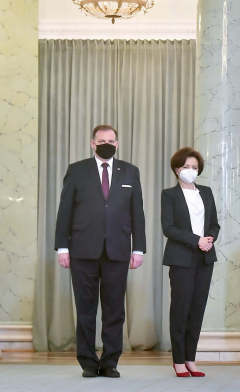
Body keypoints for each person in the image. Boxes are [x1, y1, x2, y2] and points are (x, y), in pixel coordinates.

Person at [55, 125, 146, 378]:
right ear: (93, 144)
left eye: (111, 140)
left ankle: (110, 362)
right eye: (101, 140)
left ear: (117, 144)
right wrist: (63, 247)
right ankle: (87, 362)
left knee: (115, 309)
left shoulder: (130, 171)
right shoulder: (77, 170)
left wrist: (138, 248)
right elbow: (65, 212)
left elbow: (137, 213)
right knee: (85, 309)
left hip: (117, 250)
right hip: (82, 250)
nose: (107, 144)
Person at [161, 147, 219, 378]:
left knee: (197, 309)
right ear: (177, 169)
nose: (191, 171)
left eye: (194, 167)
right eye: (186, 167)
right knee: (181, 309)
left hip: (205, 257)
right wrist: (197, 240)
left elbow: (214, 223)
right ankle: (178, 361)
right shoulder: (169, 195)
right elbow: (169, 228)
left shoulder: (206, 192)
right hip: (181, 257)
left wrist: (209, 240)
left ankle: (190, 359)